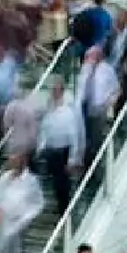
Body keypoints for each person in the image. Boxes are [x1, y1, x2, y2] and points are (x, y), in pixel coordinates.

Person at [38, 78, 81, 215]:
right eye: (53, 91)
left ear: (62, 92)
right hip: (52, 149)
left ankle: (65, 208)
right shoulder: (49, 110)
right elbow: (44, 129)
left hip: (64, 150)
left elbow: (73, 135)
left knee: (62, 182)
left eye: (56, 90)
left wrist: (72, 159)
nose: (54, 93)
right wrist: (42, 146)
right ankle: (60, 205)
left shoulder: (68, 112)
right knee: (56, 181)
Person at [77, 45, 119, 169]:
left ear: (98, 57)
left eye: (90, 57)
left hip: (102, 109)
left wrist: (110, 103)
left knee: (97, 139)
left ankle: (99, 165)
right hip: (88, 109)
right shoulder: (86, 70)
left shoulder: (107, 70)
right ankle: (89, 165)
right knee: (88, 139)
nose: (88, 60)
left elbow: (116, 89)